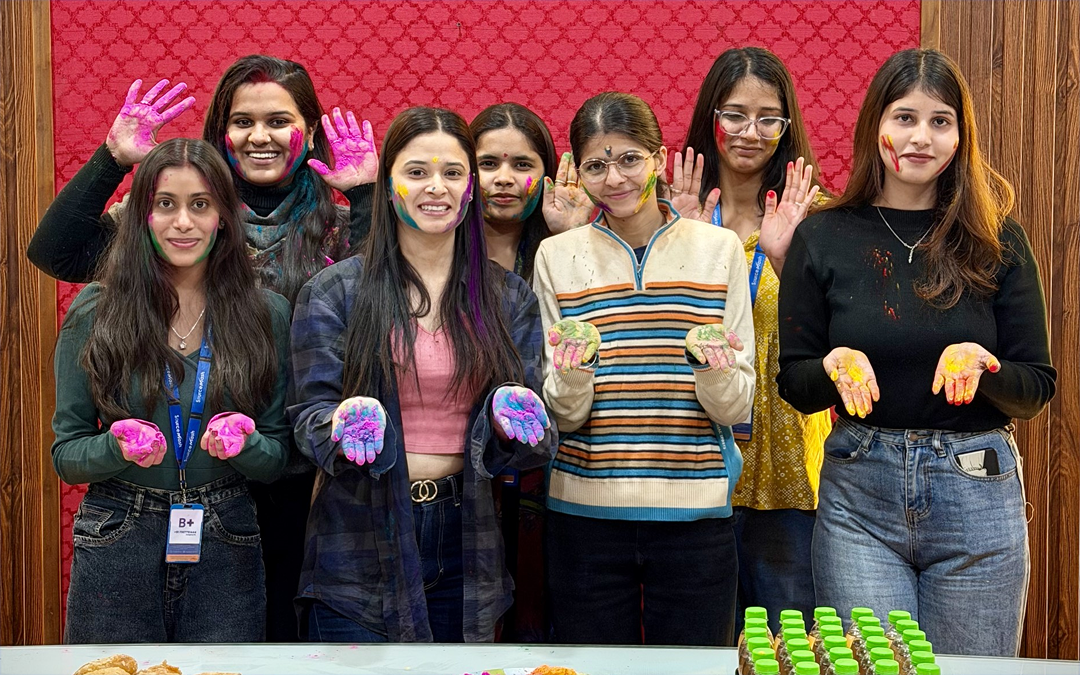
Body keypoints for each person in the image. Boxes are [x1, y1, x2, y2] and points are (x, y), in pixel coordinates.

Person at [28, 55, 378, 641]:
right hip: (169, 481)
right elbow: (56, 253)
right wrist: (114, 158)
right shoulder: (171, 215)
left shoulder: (336, 228)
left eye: (279, 121)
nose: (260, 136)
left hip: (297, 475)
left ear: (310, 130)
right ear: (220, 131)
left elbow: (375, 307)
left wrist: (365, 196)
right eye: (242, 121)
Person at [777, 48, 1056, 657]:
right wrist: (831, 368)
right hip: (859, 491)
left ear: (961, 136)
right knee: (872, 667)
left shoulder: (998, 238)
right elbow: (794, 381)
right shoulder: (822, 235)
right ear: (875, 124)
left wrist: (985, 367)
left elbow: (1035, 387)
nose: (921, 137)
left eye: (940, 121)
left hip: (976, 489)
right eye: (905, 117)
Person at [289, 106, 554, 643]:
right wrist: (341, 424)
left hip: (468, 534)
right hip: (357, 539)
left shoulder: (508, 298)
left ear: (470, 188)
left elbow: (534, 446)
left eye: (452, 172)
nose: (436, 187)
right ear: (388, 187)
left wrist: (510, 423)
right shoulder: (335, 291)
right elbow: (305, 420)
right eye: (416, 172)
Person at [534, 92, 756, 646]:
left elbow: (736, 405)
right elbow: (562, 414)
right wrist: (575, 371)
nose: (614, 179)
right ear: (580, 172)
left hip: (697, 516)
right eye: (596, 165)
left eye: (630, 159)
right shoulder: (556, 257)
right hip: (584, 516)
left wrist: (711, 368)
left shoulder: (720, 250)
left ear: (659, 157)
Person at [52, 138, 292, 643]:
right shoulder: (96, 309)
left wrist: (247, 444)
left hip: (227, 531)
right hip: (118, 529)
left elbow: (276, 459)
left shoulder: (266, 313)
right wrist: (113, 446)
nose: (183, 222)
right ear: (142, 216)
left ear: (223, 217)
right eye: (166, 204)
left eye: (200, 204)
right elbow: (67, 456)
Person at [675, 46, 830, 631]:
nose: (750, 132)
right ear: (710, 117)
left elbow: (840, 337)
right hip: (693, 460)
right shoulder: (670, 214)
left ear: (787, 127)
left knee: (788, 649)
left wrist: (787, 258)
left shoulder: (818, 216)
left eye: (769, 119)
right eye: (735, 115)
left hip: (788, 473)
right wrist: (682, 244)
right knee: (698, 649)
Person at [469, 102, 594, 641]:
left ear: (547, 174)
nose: (504, 178)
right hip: (463, 473)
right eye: (488, 163)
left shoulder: (566, 250)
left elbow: (593, 343)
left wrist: (571, 237)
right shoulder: (437, 251)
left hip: (552, 470)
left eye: (522, 164)